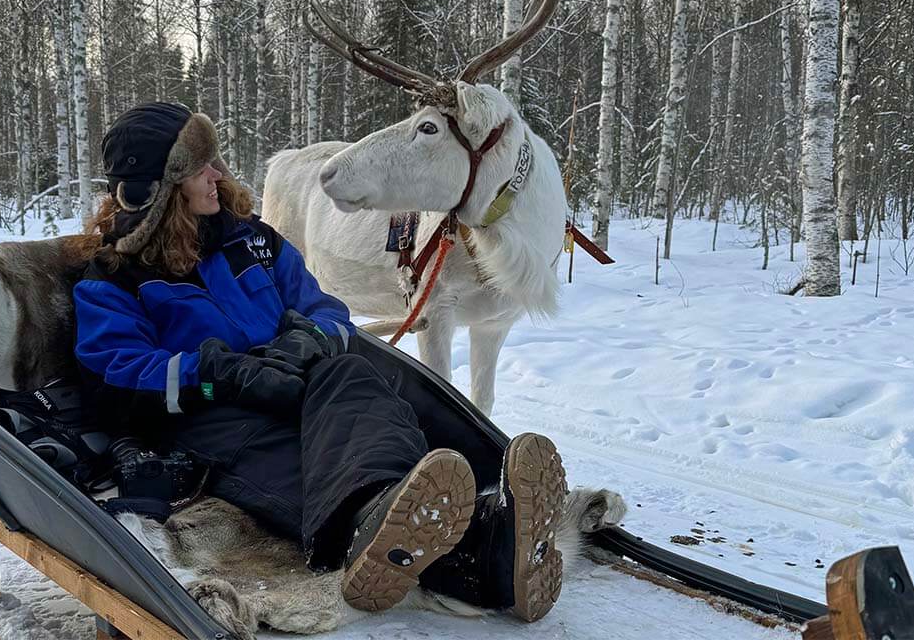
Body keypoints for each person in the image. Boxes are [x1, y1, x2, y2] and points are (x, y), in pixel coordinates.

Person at [73, 101, 568, 622]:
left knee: (354, 373)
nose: (218, 175)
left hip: (302, 385)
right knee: (309, 468)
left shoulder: (255, 241)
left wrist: (309, 340)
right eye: (201, 168)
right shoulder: (113, 278)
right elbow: (116, 375)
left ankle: (408, 514)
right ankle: (470, 546)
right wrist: (218, 373)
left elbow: (324, 307)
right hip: (214, 419)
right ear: (157, 188)